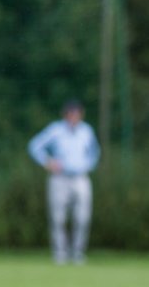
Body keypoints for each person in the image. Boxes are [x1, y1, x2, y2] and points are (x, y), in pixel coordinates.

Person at [27, 100, 101, 265]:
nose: (74, 117)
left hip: (80, 178)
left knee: (82, 218)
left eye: (77, 114)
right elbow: (34, 146)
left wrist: (88, 165)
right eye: (71, 114)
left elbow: (95, 152)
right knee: (58, 218)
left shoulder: (86, 131)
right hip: (60, 178)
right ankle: (60, 254)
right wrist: (47, 162)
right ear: (65, 115)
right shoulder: (56, 130)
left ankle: (77, 253)